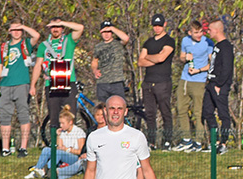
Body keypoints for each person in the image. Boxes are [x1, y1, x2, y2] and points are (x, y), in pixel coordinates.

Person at [30, 17, 85, 128]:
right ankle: (55, 139)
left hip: (69, 82)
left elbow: (80, 28)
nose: (55, 29)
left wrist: (62, 22)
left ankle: (70, 139)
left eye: (58, 27)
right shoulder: (44, 45)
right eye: (53, 27)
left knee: (70, 117)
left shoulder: (69, 40)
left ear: (62, 28)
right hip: (51, 84)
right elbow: (38, 66)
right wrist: (32, 85)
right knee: (54, 118)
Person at [0, 21, 40, 157]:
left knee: (23, 115)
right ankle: (5, 149)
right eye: (13, 29)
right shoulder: (4, 47)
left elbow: (36, 36)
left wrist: (23, 27)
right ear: (9, 31)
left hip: (22, 83)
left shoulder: (25, 44)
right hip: (5, 84)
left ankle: (23, 147)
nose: (16, 32)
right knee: (4, 117)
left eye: (18, 29)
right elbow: (0, 66)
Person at [174, 20, 214, 152]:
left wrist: (199, 70)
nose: (199, 35)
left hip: (199, 81)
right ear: (190, 32)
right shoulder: (185, 41)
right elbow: (181, 57)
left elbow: (212, 64)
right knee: (181, 109)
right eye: (196, 32)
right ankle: (186, 140)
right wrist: (185, 57)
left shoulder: (208, 42)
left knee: (198, 113)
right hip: (185, 79)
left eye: (201, 32)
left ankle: (198, 141)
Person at [137, 13, 175, 150]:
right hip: (148, 82)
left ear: (165, 25)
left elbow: (161, 58)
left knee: (165, 112)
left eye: (159, 25)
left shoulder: (169, 41)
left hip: (162, 82)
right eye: (155, 25)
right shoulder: (148, 42)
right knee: (150, 114)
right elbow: (140, 62)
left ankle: (167, 141)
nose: (157, 28)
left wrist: (148, 57)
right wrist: (154, 58)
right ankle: (151, 142)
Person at [24, 106, 86, 179]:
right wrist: (58, 135)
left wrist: (67, 149)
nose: (61, 125)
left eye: (63, 123)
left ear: (70, 122)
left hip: (74, 158)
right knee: (46, 150)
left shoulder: (79, 132)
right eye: (60, 123)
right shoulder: (62, 131)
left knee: (59, 153)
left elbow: (80, 151)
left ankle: (45, 170)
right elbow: (59, 147)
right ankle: (37, 169)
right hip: (63, 154)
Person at [202, 19, 234, 154]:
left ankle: (223, 142)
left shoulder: (226, 47)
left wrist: (220, 84)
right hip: (211, 83)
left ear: (216, 30)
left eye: (209, 30)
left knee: (223, 114)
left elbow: (227, 68)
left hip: (219, 85)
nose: (208, 32)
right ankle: (214, 141)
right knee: (207, 112)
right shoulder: (217, 46)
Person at [91, 21, 130, 102]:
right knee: (103, 106)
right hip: (102, 82)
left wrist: (112, 28)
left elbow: (126, 38)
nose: (106, 34)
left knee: (118, 105)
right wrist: (95, 70)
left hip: (116, 82)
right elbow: (94, 61)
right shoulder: (98, 47)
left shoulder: (118, 43)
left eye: (108, 32)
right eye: (104, 32)